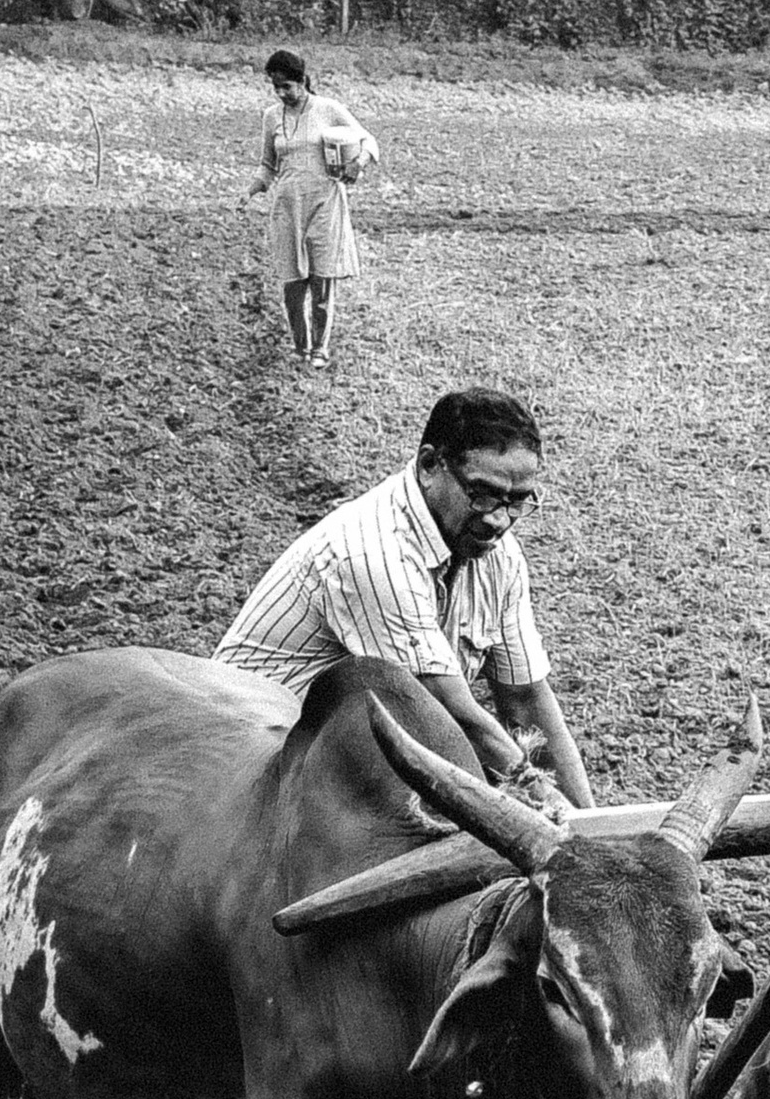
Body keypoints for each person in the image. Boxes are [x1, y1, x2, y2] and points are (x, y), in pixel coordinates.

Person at [216, 388, 595, 806]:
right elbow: (445, 715)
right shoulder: (371, 552)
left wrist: (592, 825)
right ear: (430, 465)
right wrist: (546, 802)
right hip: (245, 774)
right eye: (482, 494)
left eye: (518, 501)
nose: (498, 519)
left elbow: (525, 698)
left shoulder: (499, 557)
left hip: (331, 759)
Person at [248, 49, 377, 370]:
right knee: (293, 285)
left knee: (321, 282)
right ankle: (300, 346)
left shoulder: (328, 109)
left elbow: (369, 141)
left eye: (287, 87)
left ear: (302, 81)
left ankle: (320, 347)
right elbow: (267, 164)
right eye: (275, 87)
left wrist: (357, 163)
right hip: (289, 207)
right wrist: (252, 189)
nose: (281, 94)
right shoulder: (270, 117)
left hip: (325, 203)